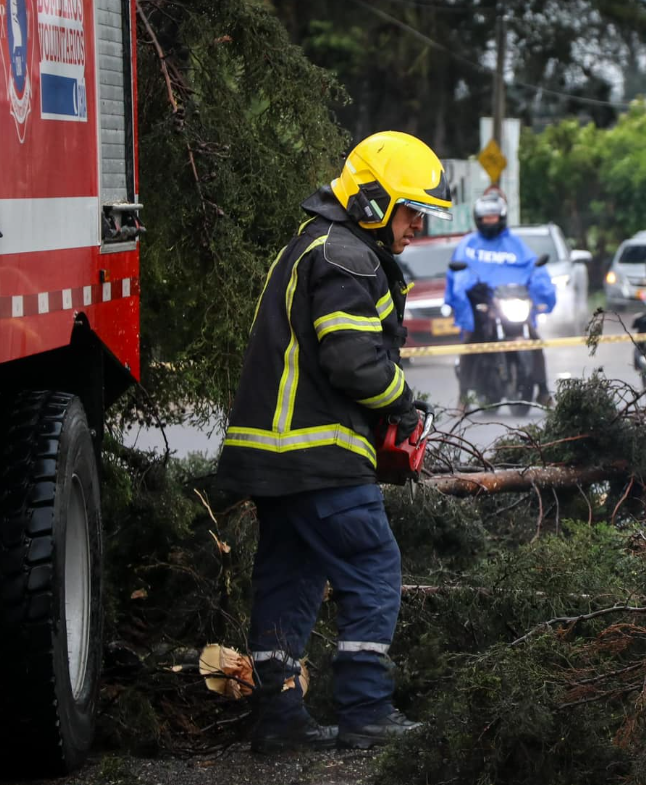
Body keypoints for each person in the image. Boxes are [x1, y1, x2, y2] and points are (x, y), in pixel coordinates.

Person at [217, 131, 452, 752]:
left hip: (274, 458)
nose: (415, 230)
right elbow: (351, 361)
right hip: (319, 455)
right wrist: (405, 403)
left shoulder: (311, 246)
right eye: (411, 213)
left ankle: (280, 720)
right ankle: (366, 710)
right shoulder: (350, 256)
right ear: (376, 203)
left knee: (288, 579)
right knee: (373, 568)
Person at [445, 192, 556, 403]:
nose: (489, 222)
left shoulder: (514, 243)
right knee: (471, 342)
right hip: (483, 305)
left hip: (510, 302)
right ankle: (463, 397)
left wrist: (540, 286)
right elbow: (458, 275)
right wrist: (467, 290)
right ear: (478, 220)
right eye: (486, 218)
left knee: (534, 340)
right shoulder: (469, 245)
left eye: (493, 218)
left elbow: (532, 266)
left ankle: (542, 390)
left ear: (501, 217)